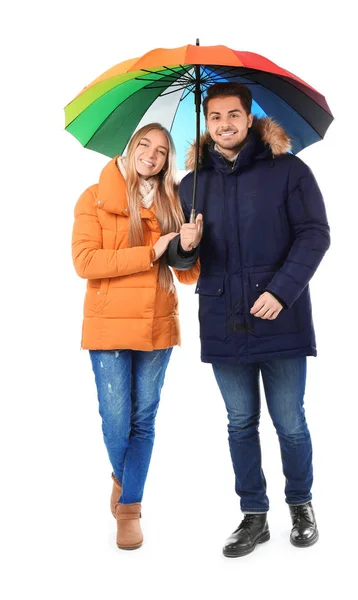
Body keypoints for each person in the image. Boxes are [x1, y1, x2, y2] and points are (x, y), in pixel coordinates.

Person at [169, 82, 330, 557]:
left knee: (290, 422)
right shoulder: (191, 183)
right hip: (223, 317)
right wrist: (187, 244)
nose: (224, 124)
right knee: (240, 422)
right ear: (207, 122)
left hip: (280, 316)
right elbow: (181, 262)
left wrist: (281, 290)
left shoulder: (289, 171)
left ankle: (301, 505)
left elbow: (315, 234)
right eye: (215, 117)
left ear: (249, 116)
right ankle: (254, 516)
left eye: (232, 115)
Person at [72, 123, 198, 550]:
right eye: (144, 144)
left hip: (156, 322)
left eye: (162, 151)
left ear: (167, 162)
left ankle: (129, 508)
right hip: (108, 323)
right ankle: (125, 479)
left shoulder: (175, 202)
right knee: (115, 420)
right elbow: (86, 262)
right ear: (130, 147)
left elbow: (187, 274)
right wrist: (151, 251)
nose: (151, 154)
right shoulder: (95, 197)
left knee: (143, 420)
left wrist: (190, 243)